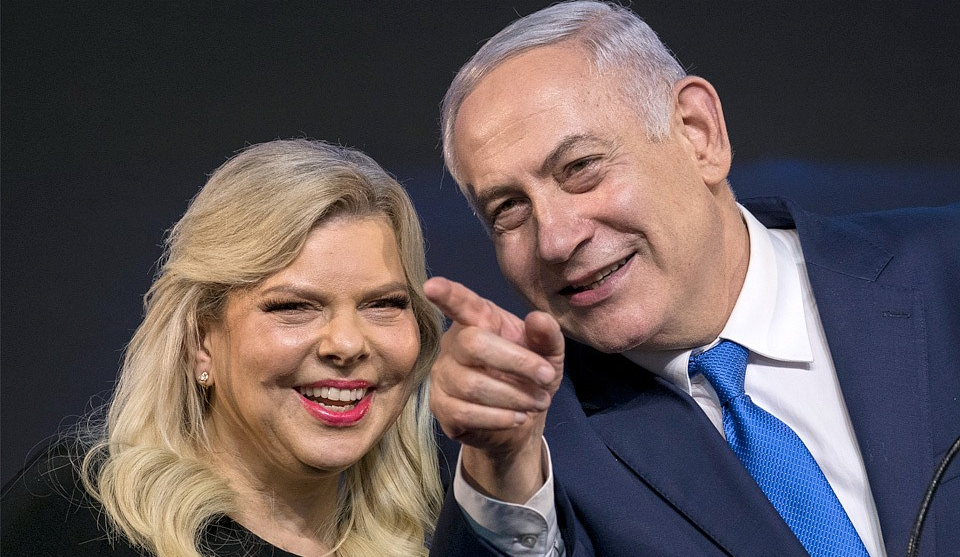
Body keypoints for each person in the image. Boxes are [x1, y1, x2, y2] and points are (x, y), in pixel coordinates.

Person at [424, 2, 960, 557]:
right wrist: (501, 470)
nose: (555, 240)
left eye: (580, 167)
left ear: (698, 134)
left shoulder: (946, 270)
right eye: (509, 208)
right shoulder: (532, 456)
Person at [2, 139, 444, 557]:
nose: (346, 344)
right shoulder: (79, 515)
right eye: (293, 307)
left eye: (384, 304)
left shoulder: (434, 541)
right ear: (200, 340)